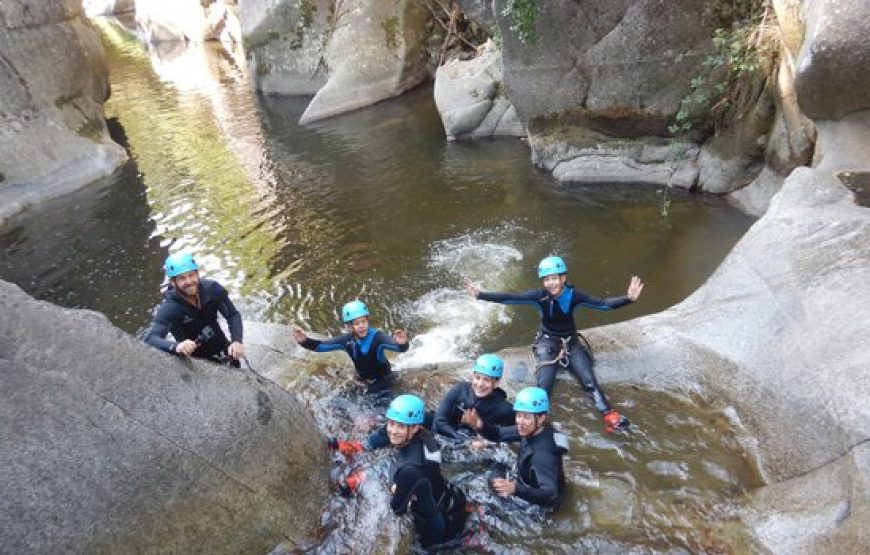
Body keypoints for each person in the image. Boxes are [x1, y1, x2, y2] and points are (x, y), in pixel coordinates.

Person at [466, 256, 643, 431]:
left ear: (563, 278)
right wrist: (481, 294)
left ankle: (608, 413)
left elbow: (603, 304)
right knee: (544, 387)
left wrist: (628, 299)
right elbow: (511, 297)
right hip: (546, 344)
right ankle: (537, 422)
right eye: (546, 279)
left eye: (554, 278)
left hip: (571, 344)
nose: (550, 283)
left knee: (589, 381)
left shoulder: (574, 295)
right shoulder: (539, 297)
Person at [384, 395, 468, 549]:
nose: (393, 431)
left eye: (400, 426)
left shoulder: (409, 469)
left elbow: (398, 508)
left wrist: (395, 484)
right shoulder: (427, 438)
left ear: (415, 427)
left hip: (435, 526)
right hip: (451, 499)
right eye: (391, 423)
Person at [145, 252, 244, 367]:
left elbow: (232, 315)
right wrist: (176, 346)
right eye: (182, 278)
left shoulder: (212, 290)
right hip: (196, 361)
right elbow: (151, 338)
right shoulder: (170, 308)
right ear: (173, 282)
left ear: (197, 274)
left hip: (223, 348)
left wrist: (236, 341)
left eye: (191, 275)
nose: (188, 281)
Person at [293, 300, 409, 396]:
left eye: (363, 321)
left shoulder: (378, 337)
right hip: (363, 380)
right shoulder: (347, 341)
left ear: (367, 320)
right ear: (349, 326)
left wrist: (402, 343)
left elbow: (399, 349)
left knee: (372, 415)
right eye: (357, 323)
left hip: (384, 381)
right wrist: (305, 341)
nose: (361, 326)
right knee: (338, 401)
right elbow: (321, 346)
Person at [481, 387, 567, 509]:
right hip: (528, 479)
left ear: (541, 418)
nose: (520, 422)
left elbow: (551, 495)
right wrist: (479, 425)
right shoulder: (534, 429)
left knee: (492, 489)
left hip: (539, 505)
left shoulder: (542, 455)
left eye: (526, 417)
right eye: (518, 415)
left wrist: (515, 489)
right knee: (490, 462)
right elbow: (499, 434)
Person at [433, 353, 515, 444]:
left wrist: (485, 443)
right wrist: (467, 441)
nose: (480, 384)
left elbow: (513, 434)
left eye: (486, 380)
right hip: (451, 435)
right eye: (477, 378)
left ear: (496, 383)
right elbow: (439, 421)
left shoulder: (504, 409)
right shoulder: (460, 390)